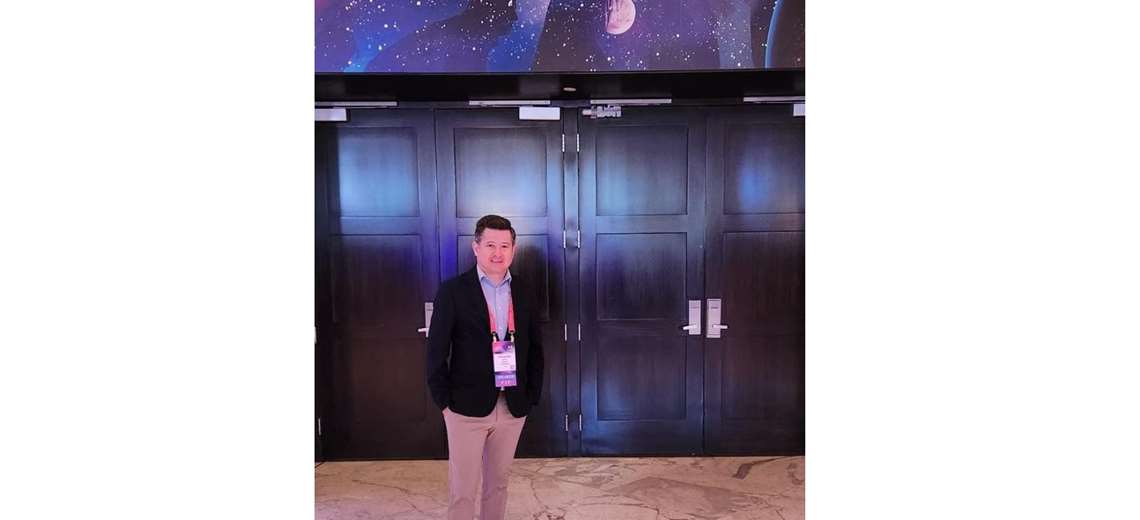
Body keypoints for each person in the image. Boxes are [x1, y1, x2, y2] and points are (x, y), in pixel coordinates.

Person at [426, 214, 544, 520]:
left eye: (504, 246)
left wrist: (531, 396)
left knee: (498, 485)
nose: (497, 253)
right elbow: (435, 352)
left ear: (513, 249)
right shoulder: (453, 291)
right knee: (463, 490)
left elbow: (535, 348)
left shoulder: (524, 291)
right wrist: (444, 403)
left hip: (512, 406)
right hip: (464, 408)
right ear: (476, 247)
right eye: (490, 245)